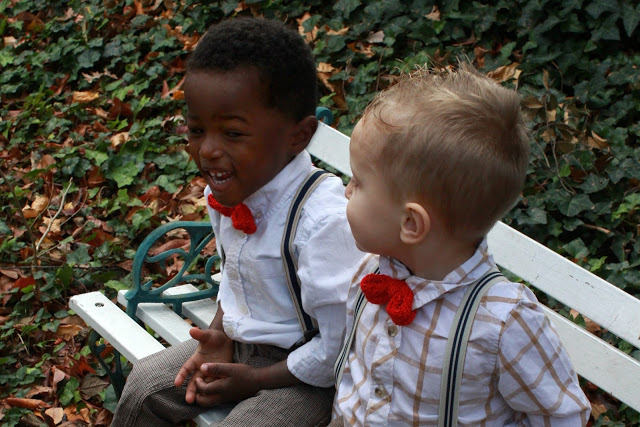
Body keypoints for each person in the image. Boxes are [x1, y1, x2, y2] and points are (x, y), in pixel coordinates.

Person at [113, 17, 365, 426]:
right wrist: (219, 335)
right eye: (197, 129)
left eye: (232, 133)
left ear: (297, 136)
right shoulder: (228, 190)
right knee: (144, 388)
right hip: (241, 347)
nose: (207, 150)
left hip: (309, 376)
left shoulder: (322, 222)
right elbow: (235, 274)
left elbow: (341, 347)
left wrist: (255, 380)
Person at [330, 64, 591, 426]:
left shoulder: (502, 323)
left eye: (358, 182)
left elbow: (561, 416)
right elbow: (355, 379)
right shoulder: (371, 275)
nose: (347, 189)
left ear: (411, 223)